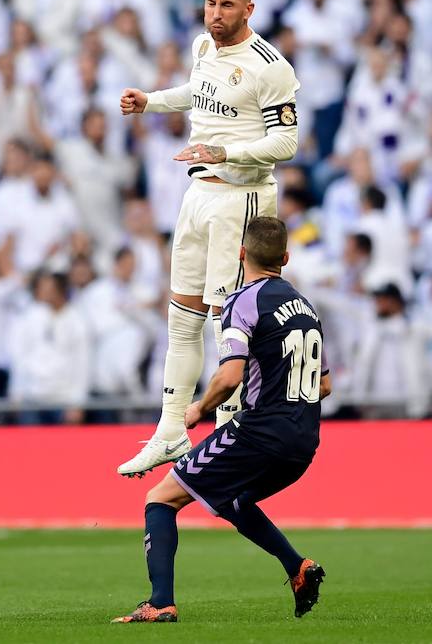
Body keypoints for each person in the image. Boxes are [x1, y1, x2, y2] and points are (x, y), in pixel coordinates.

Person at [117, 0, 300, 476]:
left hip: (240, 198)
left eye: (226, 6)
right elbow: (196, 93)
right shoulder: (203, 47)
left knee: (227, 323)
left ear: (249, 9)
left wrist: (224, 150)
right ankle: (171, 430)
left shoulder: (270, 66)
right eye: (210, 4)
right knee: (182, 317)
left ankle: (229, 435)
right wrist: (151, 101)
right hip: (197, 194)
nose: (215, 15)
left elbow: (287, 142)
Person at [112, 217, 332, 624]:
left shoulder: (242, 301)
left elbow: (230, 376)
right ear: (285, 257)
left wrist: (197, 409)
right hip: (304, 442)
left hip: (259, 432)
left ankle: (160, 601)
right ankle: (297, 567)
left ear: (242, 253)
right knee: (234, 501)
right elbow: (324, 386)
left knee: (160, 499)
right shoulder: (306, 307)